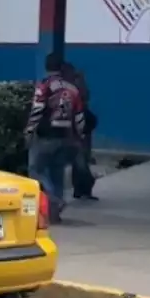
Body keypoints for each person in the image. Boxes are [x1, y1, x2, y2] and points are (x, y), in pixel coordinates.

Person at [26, 53, 85, 222]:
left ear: (46, 66)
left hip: (45, 137)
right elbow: (79, 117)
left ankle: (54, 199)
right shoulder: (73, 89)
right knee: (57, 172)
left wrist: (29, 131)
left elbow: (37, 111)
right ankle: (54, 214)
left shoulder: (44, 85)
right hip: (65, 138)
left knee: (35, 169)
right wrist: (79, 136)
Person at [62, 61, 99, 201]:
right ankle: (84, 186)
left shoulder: (72, 85)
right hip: (77, 128)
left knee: (80, 159)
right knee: (80, 160)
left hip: (79, 127)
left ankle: (81, 189)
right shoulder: (68, 88)